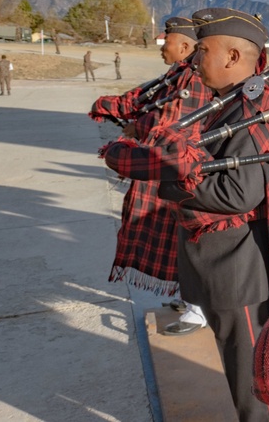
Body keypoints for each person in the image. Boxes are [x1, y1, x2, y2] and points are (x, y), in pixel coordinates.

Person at [107, 7, 269, 422]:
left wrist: (167, 178)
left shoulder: (250, 111)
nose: (193, 59)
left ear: (233, 58)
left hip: (238, 271)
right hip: (223, 266)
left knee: (256, 388)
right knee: (245, 376)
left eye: (202, 50)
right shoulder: (228, 105)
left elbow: (240, 192)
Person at [91, 17, 212, 336]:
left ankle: (200, 310)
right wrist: (114, 107)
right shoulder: (179, 73)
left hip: (184, 172)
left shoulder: (193, 79)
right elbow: (150, 102)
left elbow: (177, 123)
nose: (162, 46)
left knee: (192, 240)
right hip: (171, 169)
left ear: (185, 46)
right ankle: (190, 300)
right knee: (177, 241)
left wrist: (138, 127)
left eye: (167, 41)